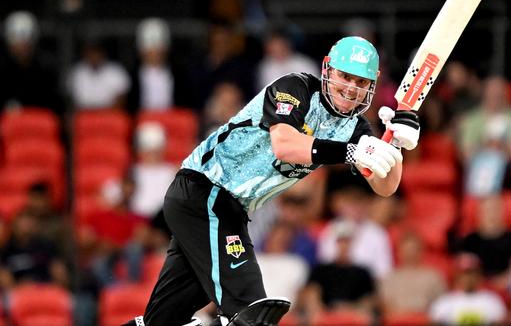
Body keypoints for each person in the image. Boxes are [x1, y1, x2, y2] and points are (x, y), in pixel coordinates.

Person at [124, 36, 420, 326]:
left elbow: (386, 187)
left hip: (228, 208)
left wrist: (395, 147)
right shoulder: (296, 87)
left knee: (161, 320)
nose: (350, 88)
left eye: (361, 82)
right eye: (345, 76)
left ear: (373, 85)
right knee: (251, 311)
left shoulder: (356, 128)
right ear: (328, 70)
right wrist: (354, 151)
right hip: (205, 189)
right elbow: (285, 145)